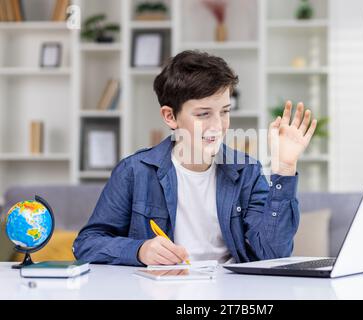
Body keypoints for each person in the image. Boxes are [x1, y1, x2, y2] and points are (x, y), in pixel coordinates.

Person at [73, 50, 317, 266]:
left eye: (224, 112)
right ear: (170, 117)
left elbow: (273, 254)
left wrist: (285, 168)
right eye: (203, 114)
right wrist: (140, 250)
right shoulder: (134, 171)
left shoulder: (247, 172)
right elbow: (86, 244)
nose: (217, 126)